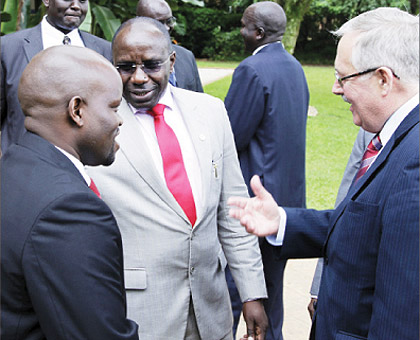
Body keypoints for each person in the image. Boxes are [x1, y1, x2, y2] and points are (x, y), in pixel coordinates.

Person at [228, 7, 419, 340]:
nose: (334, 89)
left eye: (343, 77)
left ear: (383, 79)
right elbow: (367, 226)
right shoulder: (397, 138)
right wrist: (282, 222)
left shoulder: (414, 160)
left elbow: (402, 315)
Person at [86, 17, 268, 340]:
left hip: (212, 312)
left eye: (151, 65)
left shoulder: (211, 112)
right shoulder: (95, 126)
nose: (139, 78)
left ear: (172, 61)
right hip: (140, 315)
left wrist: (252, 293)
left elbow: (232, 212)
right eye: (126, 67)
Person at [1, 46, 139, 339]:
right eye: (114, 107)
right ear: (77, 111)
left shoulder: (13, 166)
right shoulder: (69, 210)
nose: (119, 120)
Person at [224, 2, 309, 339]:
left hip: (255, 203)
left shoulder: (251, 69)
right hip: (287, 203)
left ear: (257, 32)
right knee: (272, 294)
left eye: (244, 26)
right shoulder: (294, 66)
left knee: (239, 293)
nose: (240, 31)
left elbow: (231, 135)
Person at [1, 0, 112, 153]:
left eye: (82, 1)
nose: (76, 6)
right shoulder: (8, 48)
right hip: (24, 164)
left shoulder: (105, 51)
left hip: (87, 167)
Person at [307, 128, 374, 319]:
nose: (339, 95)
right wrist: (318, 288)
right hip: (349, 300)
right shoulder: (368, 134)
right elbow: (342, 210)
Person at [136, 0, 203, 92]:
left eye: (169, 21)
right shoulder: (126, 63)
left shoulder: (186, 56)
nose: (167, 28)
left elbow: (199, 99)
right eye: (158, 23)